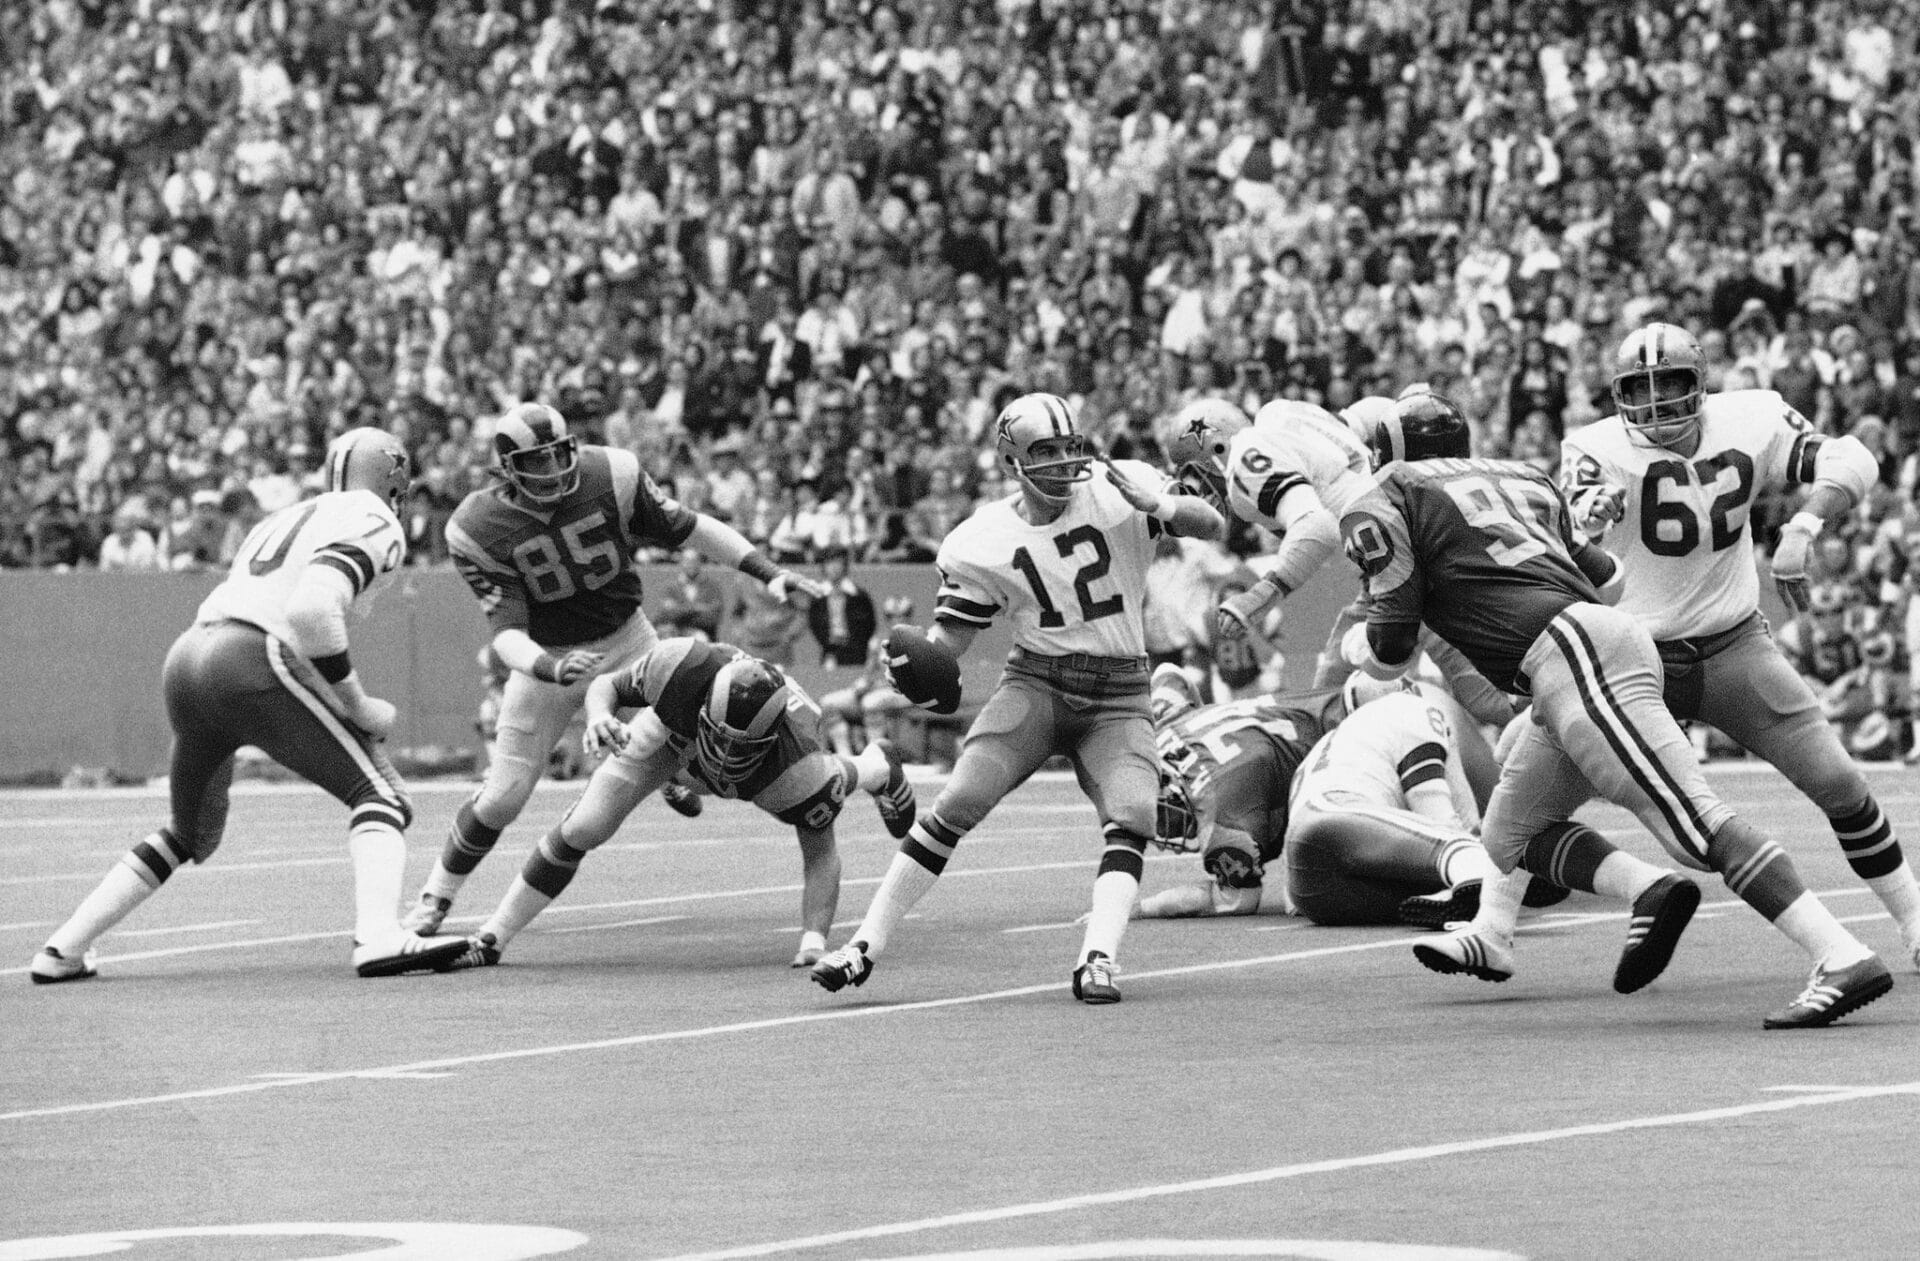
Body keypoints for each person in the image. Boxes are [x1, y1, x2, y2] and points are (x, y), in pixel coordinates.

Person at [1340, 392, 1893, 1029]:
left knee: (1694, 824)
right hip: (1585, 647)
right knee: (1507, 835)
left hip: (1573, 656)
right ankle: (1631, 897)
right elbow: (1608, 578)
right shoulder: (1519, 473)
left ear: (1385, 452)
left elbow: (1391, 648)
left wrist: (1362, 644)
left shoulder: (1387, 495)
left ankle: (1840, 954)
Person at [808, 392, 1226, 1003]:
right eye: (1045, 452)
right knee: (957, 802)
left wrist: (1160, 503)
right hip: (1038, 683)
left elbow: (1212, 523)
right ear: (1010, 463)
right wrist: (919, 657)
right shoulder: (982, 537)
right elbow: (954, 635)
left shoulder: (1121, 488)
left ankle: (1099, 957)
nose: (1062, 462)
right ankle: (864, 946)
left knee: (1133, 814)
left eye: (1068, 447)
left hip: (1118, 691)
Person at [31, 429, 470, 982]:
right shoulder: (375, 518)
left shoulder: (284, 516)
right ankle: (379, 936)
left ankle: (63, 949)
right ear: (394, 481)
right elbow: (313, 611)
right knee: (380, 796)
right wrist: (356, 704)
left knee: (188, 833)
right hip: (250, 660)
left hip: (190, 655)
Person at [1562, 321, 1920, 974]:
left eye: (1669, 387)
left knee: (1839, 780)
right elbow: (1573, 517)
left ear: (1699, 384)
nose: (1655, 407)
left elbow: (1856, 458)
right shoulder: (1593, 446)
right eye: (1639, 392)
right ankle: (1491, 923)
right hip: (1633, 656)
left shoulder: (1750, 415)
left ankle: (1915, 918)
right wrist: (1589, 513)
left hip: (1731, 642)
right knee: (1534, 787)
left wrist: (1805, 523)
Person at [399, 402, 825, 937]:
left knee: (706, 738)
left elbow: (690, 528)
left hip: (629, 640)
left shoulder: (611, 474)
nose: (554, 471)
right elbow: (505, 631)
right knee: (504, 793)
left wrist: (769, 572)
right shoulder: (477, 526)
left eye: (559, 455)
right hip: (547, 656)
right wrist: (552, 668)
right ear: (508, 468)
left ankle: (669, 770)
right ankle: (436, 896)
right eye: (538, 462)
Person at [445, 637, 917, 970]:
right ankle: (494, 936)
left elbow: (821, 855)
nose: (727, 755)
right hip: (677, 737)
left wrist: (813, 941)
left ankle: (877, 764)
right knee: (585, 826)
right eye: (722, 740)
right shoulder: (681, 668)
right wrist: (599, 716)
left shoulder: (798, 767)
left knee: (830, 783)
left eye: (741, 746)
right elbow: (606, 684)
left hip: (762, 767)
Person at [1169, 395, 1516, 727]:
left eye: (1194, 475)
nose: (1199, 492)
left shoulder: (1245, 461)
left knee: (1489, 699)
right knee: (1328, 703)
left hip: (1399, 567)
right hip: (1394, 559)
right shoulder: (1283, 415)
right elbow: (1373, 413)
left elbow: (1318, 529)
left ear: (1215, 449)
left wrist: (1255, 599)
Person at [1136, 672, 1538, 924]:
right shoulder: (1166, 725)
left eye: (1161, 819)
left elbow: (1239, 899)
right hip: (1372, 713)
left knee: (1489, 837)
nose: (1163, 834)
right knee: (1495, 833)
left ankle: (1497, 866)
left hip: (1377, 751)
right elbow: (1170, 675)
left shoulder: (1225, 811)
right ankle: (1504, 859)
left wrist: (1143, 907)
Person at [807, 546, 877, 667]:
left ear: (845, 566)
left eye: (838, 563)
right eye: (829, 563)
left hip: (857, 652)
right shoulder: (818, 596)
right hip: (830, 652)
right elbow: (815, 625)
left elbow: (869, 625)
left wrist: (857, 644)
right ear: (823, 567)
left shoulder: (858, 595)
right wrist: (828, 645)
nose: (834, 568)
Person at [654, 547, 728, 642]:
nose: (691, 565)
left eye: (694, 561)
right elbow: (667, 614)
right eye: (687, 561)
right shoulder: (671, 588)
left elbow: (713, 617)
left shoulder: (712, 587)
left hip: (704, 634)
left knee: (700, 640)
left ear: (700, 563)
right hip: (676, 633)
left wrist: (681, 610)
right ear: (681, 563)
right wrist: (697, 609)